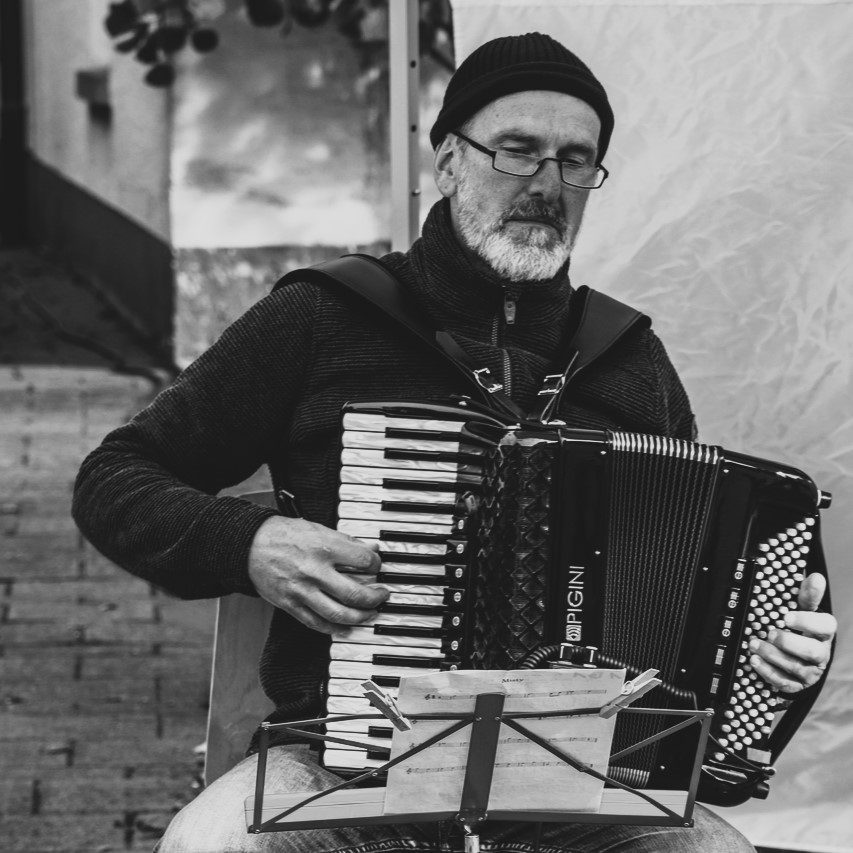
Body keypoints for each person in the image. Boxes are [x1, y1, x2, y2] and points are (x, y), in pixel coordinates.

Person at [73, 32, 835, 853]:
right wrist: (249, 541)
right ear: (445, 161)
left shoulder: (629, 361)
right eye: (516, 150)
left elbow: (699, 607)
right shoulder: (326, 318)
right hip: (344, 767)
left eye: (576, 160)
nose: (547, 183)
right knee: (212, 846)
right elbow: (115, 476)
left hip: (583, 788)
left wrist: (766, 656)